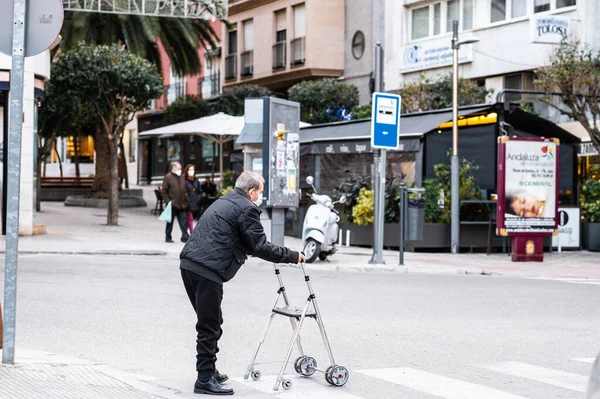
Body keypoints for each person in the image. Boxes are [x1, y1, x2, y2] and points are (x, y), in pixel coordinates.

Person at [179, 171, 306, 396]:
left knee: (213, 320)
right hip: (207, 269)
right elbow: (260, 246)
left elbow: (237, 238)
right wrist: (293, 255)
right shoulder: (247, 208)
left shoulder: (225, 200)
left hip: (189, 264)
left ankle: (209, 370)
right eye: (260, 192)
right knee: (209, 326)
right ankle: (204, 379)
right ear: (251, 191)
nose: (260, 197)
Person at [162, 162, 190, 243]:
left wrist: (186, 199)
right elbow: (164, 191)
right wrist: (168, 201)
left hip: (182, 204)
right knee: (170, 222)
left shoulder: (182, 177)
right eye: (178, 169)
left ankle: (185, 236)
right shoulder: (168, 177)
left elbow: (185, 189)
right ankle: (168, 237)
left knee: (183, 222)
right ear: (173, 169)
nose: (180, 170)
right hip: (172, 204)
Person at [184, 164, 202, 235]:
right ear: (187, 171)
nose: (192, 171)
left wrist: (198, 198)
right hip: (188, 203)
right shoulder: (184, 181)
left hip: (195, 203)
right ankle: (192, 233)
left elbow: (200, 191)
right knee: (190, 219)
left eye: (193, 170)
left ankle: (184, 234)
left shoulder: (196, 181)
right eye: (190, 170)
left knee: (189, 220)